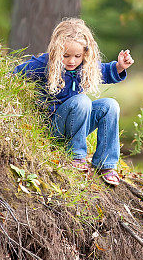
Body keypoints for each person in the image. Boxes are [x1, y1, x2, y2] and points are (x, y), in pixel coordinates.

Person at [13, 18, 134, 186]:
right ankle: (76, 156)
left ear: (85, 53)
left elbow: (105, 71)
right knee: (82, 101)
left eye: (77, 56)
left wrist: (120, 66)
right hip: (54, 128)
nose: (71, 61)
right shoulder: (45, 64)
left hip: (77, 125)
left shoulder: (85, 66)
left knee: (110, 105)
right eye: (66, 56)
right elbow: (16, 74)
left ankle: (106, 164)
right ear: (57, 51)